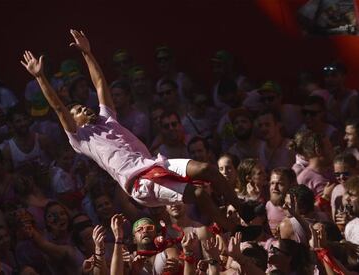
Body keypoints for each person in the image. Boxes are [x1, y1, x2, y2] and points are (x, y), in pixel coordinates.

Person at [20, 29, 239, 229]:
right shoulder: (80, 139)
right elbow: (58, 107)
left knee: (207, 170)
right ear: (73, 121)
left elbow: (99, 84)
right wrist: (40, 77)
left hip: (155, 163)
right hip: (139, 182)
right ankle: (233, 230)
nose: (83, 107)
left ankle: (242, 210)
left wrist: (87, 53)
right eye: (77, 110)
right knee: (199, 192)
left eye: (81, 105)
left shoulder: (107, 118)